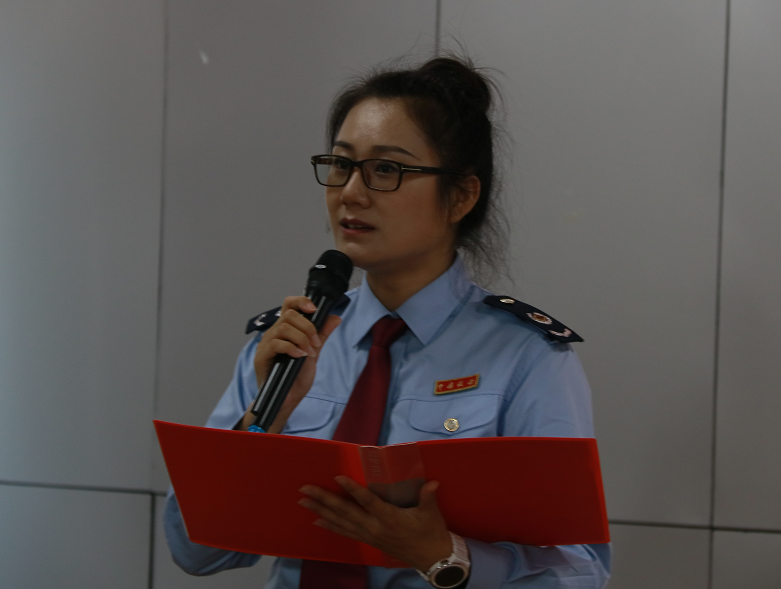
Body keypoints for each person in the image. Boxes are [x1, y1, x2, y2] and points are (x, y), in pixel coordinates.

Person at [164, 55, 612, 589]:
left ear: (461, 196)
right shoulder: (289, 343)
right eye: (341, 164)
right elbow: (195, 552)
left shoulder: (527, 358)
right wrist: (266, 418)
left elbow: (580, 571)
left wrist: (443, 556)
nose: (351, 193)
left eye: (386, 170)